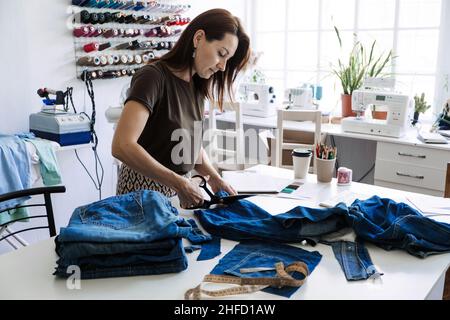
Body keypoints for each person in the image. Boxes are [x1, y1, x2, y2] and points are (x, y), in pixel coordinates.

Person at [112, 9, 251, 209]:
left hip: (176, 193)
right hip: (141, 194)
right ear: (199, 38)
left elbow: (189, 144)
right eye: (221, 54)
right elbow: (122, 145)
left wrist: (213, 177)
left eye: (227, 60)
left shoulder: (196, 86)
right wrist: (179, 183)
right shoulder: (153, 77)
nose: (222, 66)